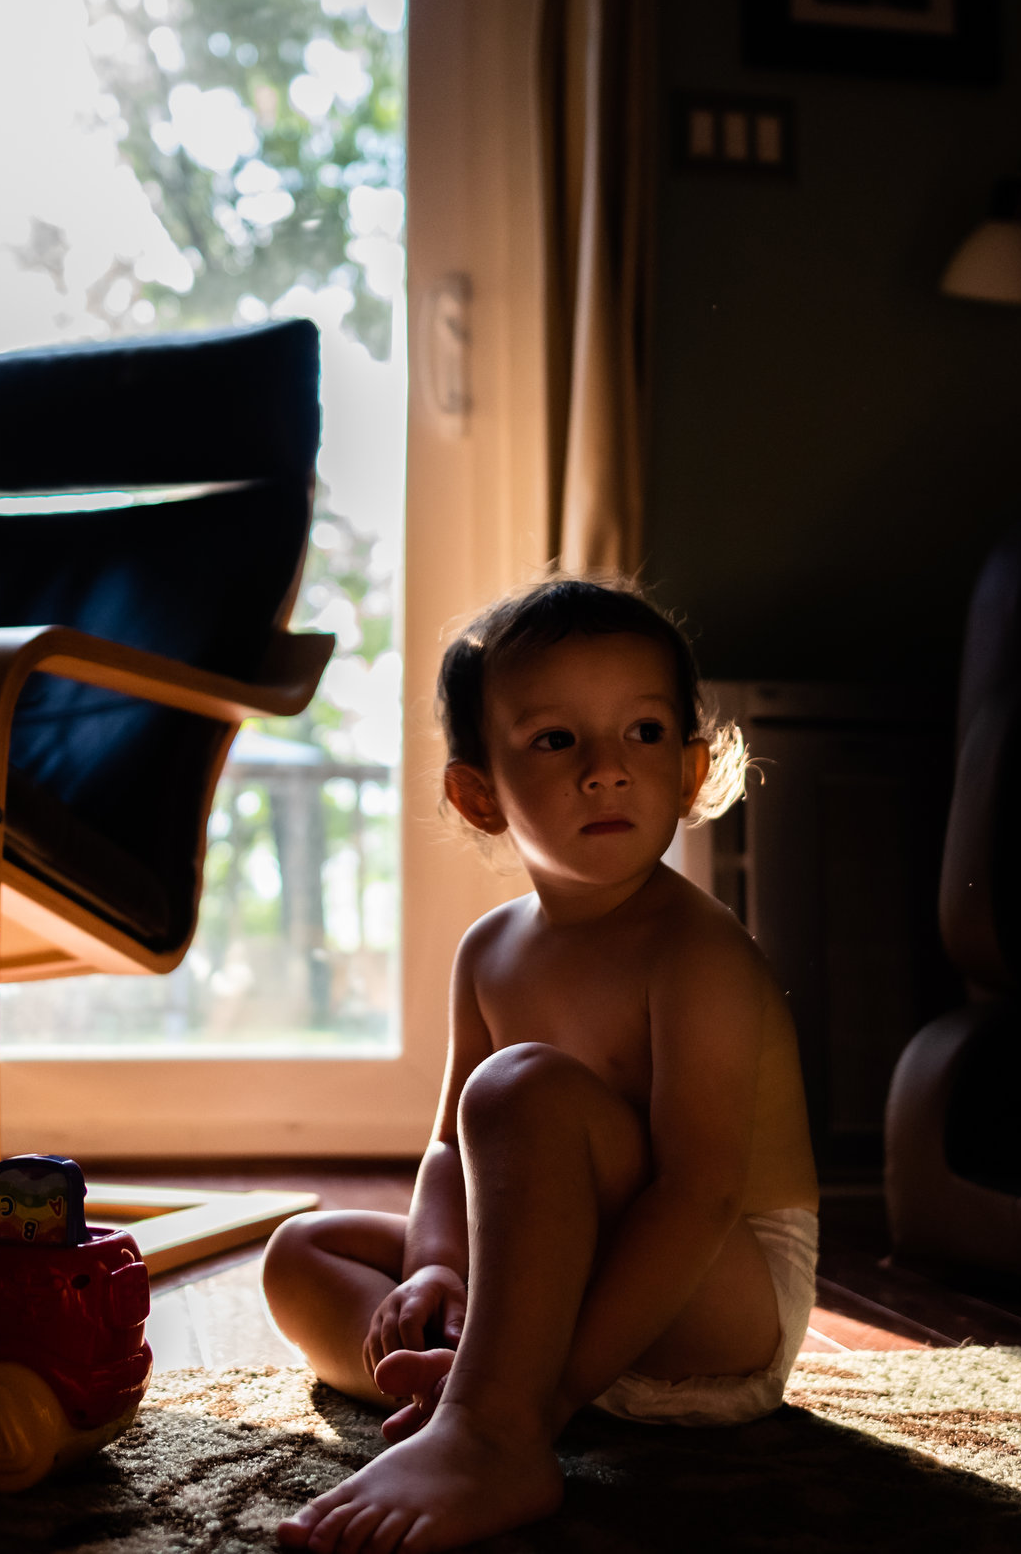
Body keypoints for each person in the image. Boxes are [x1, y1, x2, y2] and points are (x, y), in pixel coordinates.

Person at [262, 577, 819, 1554]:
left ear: (690, 771)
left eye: (642, 733)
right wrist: (435, 1265)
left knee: (519, 1086)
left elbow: (698, 1193)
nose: (606, 770)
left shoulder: (697, 954)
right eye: (558, 740)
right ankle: (471, 1369)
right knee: (300, 1256)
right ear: (479, 794)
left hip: (716, 1302)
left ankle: (493, 1422)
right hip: (561, 1290)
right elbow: (448, 1154)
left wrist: (541, 1397)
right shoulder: (488, 952)